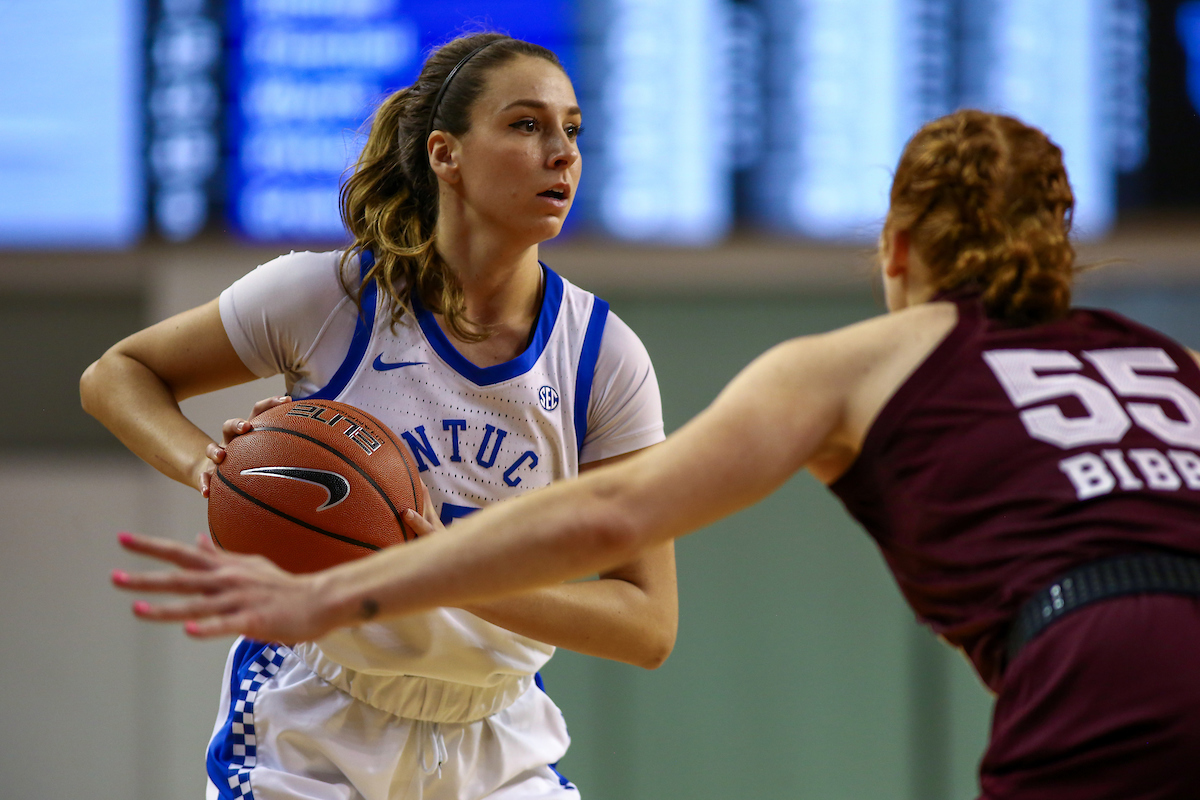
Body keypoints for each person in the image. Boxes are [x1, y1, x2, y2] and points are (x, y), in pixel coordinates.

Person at [115, 109, 1200, 798]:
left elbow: (611, 519)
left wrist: (348, 587)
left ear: (898, 248)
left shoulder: (857, 354)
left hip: (1099, 659)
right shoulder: (1171, 359)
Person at [84, 32, 679, 800]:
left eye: (572, 129)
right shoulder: (327, 297)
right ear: (446, 154)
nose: (561, 152)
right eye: (527, 125)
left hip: (496, 736)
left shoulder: (604, 356)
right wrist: (216, 470)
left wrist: (447, 568)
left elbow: (647, 624)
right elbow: (117, 375)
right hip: (316, 721)